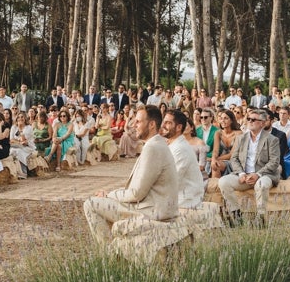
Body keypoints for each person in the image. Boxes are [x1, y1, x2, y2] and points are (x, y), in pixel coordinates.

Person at [82, 105, 179, 245]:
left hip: (154, 211)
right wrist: (113, 195)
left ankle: (108, 253)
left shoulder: (153, 147)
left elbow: (136, 193)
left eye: (138, 121)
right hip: (154, 206)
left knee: (90, 204)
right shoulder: (156, 145)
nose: (134, 125)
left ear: (152, 124)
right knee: (103, 201)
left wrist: (109, 195)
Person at [218, 109, 281, 227]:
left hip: (264, 175)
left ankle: (260, 218)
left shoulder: (272, 139)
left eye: (253, 120)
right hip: (244, 176)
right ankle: (236, 216)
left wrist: (257, 174)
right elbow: (234, 158)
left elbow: (274, 162)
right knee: (223, 181)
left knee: (261, 185)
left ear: (262, 123)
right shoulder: (241, 138)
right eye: (248, 119)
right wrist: (241, 174)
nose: (250, 121)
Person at [161, 110, 204, 209]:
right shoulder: (173, 144)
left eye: (168, 123)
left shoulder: (180, 149)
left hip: (184, 201)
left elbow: (171, 181)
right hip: (173, 198)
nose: (163, 125)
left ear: (179, 127)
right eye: (164, 122)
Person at [211, 109, 242, 178]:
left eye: (226, 118)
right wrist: (213, 159)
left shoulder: (239, 133)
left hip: (234, 160)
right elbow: (215, 150)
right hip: (222, 160)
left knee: (216, 164)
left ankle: (216, 187)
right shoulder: (218, 133)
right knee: (215, 165)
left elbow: (232, 154)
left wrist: (216, 159)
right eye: (221, 118)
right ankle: (215, 187)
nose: (223, 121)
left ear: (231, 121)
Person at [9, 112, 36, 178]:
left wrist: (20, 129)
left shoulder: (28, 127)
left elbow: (23, 140)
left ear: (25, 118)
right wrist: (18, 142)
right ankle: (15, 172)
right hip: (16, 145)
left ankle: (24, 172)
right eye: (19, 117)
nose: (20, 118)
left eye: (22, 117)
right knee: (12, 151)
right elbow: (11, 139)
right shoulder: (13, 127)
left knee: (19, 151)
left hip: (28, 146)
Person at [196, 108, 220, 176]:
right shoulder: (197, 130)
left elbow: (217, 149)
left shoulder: (217, 131)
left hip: (210, 159)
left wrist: (209, 158)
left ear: (211, 118)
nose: (203, 119)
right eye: (201, 117)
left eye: (205, 117)